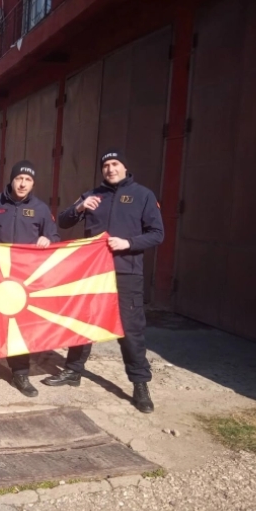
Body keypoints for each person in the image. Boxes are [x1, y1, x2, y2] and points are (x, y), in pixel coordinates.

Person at [42, 149, 164, 413]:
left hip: (126, 272)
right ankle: (73, 371)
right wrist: (79, 207)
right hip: (92, 273)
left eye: (115, 163)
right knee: (83, 323)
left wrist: (128, 243)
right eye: (106, 165)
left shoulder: (143, 195)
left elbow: (157, 234)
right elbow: (63, 221)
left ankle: (140, 384)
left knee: (130, 331)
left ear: (125, 167)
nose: (110, 169)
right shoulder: (92, 194)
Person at [0, 160, 60, 398]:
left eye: (28, 180)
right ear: (12, 180)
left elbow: (53, 236)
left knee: (20, 328)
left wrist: (48, 240)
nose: (23, 184)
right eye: (19, 178)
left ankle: (20, 375)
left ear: (33, 184)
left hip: (24, 281)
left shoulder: (40, 208)